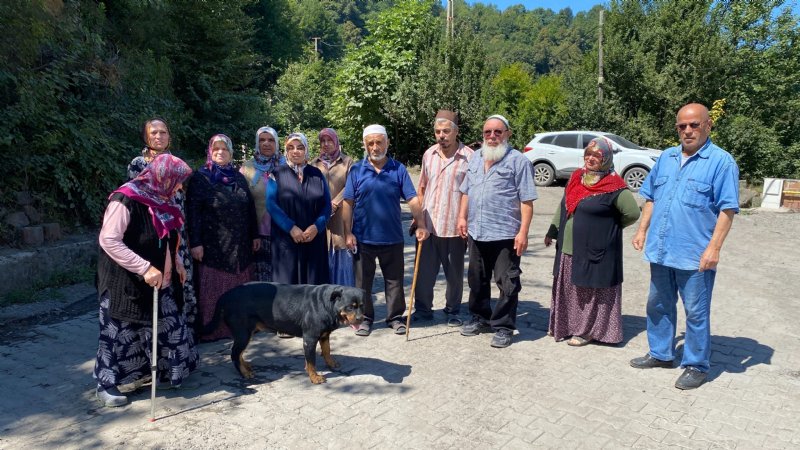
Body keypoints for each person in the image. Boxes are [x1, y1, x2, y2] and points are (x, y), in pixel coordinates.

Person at [630, 103, 739, 390]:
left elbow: (727, 210)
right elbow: (650, 197)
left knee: (696, 312)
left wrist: (714, 248)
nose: (688, 130)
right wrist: (642, 230)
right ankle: (661, 353)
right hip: (662, 249)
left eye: (694, 125)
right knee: (658, 304)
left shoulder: (721, 162)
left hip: (694, 255)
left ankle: (696, 364)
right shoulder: (666, 158)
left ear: (708, 125)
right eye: (682, 126)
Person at [94, 154, 198, 407]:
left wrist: (177, 262)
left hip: (161, 279)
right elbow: (109, 240)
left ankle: (162, 373)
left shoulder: (163, 199)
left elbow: (168, 237)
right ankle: (106, 384)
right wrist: (144, 268)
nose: (180, 187)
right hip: (125, 280)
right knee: (117, 333)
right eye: (177, 182)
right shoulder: (126, 199)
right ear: (164, 177)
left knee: (170, 325)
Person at [544, 137, 641, 346]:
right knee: (570, 288)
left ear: (606, 158)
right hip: (569, 246)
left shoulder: (615, 187)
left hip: (595, 249)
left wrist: (608, 228)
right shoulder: (577, 177)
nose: (590, 158)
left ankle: (586, 331)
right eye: (588, 154)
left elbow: (632, 213)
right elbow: (564, 205)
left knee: (589, 291)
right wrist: (552, 231)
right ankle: (565, 325)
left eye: (597, 155)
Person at [456, 114, 537, 348]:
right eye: (487, 132)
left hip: (505, 234)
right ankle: (480, 317)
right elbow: (466, 191)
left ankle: (503, 327)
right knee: (477, 280)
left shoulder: (518, 161)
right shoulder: (475, 158)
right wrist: (462, 217)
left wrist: (523, 232)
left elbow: (527, 201)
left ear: (507, 134)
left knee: (508, 282)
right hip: (477, 231)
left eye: (497, 132)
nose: (492, 136)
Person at [341, 124, 430, 336]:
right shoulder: (356, 170)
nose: (375, 147)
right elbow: (347, 203)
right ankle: (365, 319)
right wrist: (348, 233)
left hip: (392, 237)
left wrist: (421, 223)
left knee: (394, 281)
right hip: (363, 238)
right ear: (365, 145)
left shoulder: (398, 168)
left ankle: (395, 317)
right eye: (370, 143)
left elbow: (412, 199)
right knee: (363, 284)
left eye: (379, 142)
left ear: (387, 143)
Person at [126, 119, 199, 333]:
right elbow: (137, 198)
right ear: (145, 136)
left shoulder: (176, 162)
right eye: (154, 132)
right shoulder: (138, 164)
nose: (159, 136)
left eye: (163, 132)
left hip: (178, 232)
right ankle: (157, 332)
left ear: (169, 136)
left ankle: (184, 332)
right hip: (154, 231)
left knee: (183, 278)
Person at [186, 134, 259, 341]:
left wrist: (254, 234)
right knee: (215, 288)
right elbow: (193, 212)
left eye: (224, 149)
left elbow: (250, 208)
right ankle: (214, 329)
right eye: (216, 149)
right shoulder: (201, 178)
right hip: (213, 245)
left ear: (230, 153)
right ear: (210, 151)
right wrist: (196, 242)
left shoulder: (238, 177)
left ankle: (240, 326)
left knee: (240, 288)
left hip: (241, 244)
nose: (220, 152)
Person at [412, 110, 474, 327]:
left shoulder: (470, 157)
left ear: (456, 132)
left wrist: (465, 218)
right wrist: (419, 219)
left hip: (454, 226)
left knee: (454, 275)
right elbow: (421, 187)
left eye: (446, 131)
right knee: (424, 273)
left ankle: (453, 310)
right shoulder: (429, 154)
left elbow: (472, 192)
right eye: (438, 131)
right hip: (429, 225)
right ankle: (423, 310)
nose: (442, 135)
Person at [266, 132, 332, 285]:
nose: (295, 151)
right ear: (286, 151)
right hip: (286, 241)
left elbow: (327, 206)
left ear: (306, 150)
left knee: (314, 288)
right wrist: (291, 227)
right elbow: (271, 204)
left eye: (300, 147)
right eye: (291, 147)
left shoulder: (317, 174)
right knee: (288, 289)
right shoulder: (277, 174)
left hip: (314, 240)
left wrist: (317, 227)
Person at [310, 128, 355, 286]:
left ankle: (344, 304)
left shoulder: (347, 162)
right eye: (323, 141)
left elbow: (351, 185)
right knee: (322, 264)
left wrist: (335, 202)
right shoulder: (314, 164)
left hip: (341, 219)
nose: (326, 144)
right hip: (320, 219)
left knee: (342, 263)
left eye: (329, 140)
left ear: (336, 142)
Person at [240, 126, 285, 282]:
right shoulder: (247, 168)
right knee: (262, 279)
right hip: (258, 235)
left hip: (284, 232)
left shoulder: (287, 165)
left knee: (283, 277)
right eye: (262, 140)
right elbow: (242, 202)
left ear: (277, 143)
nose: (266, 143)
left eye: (271, 140)